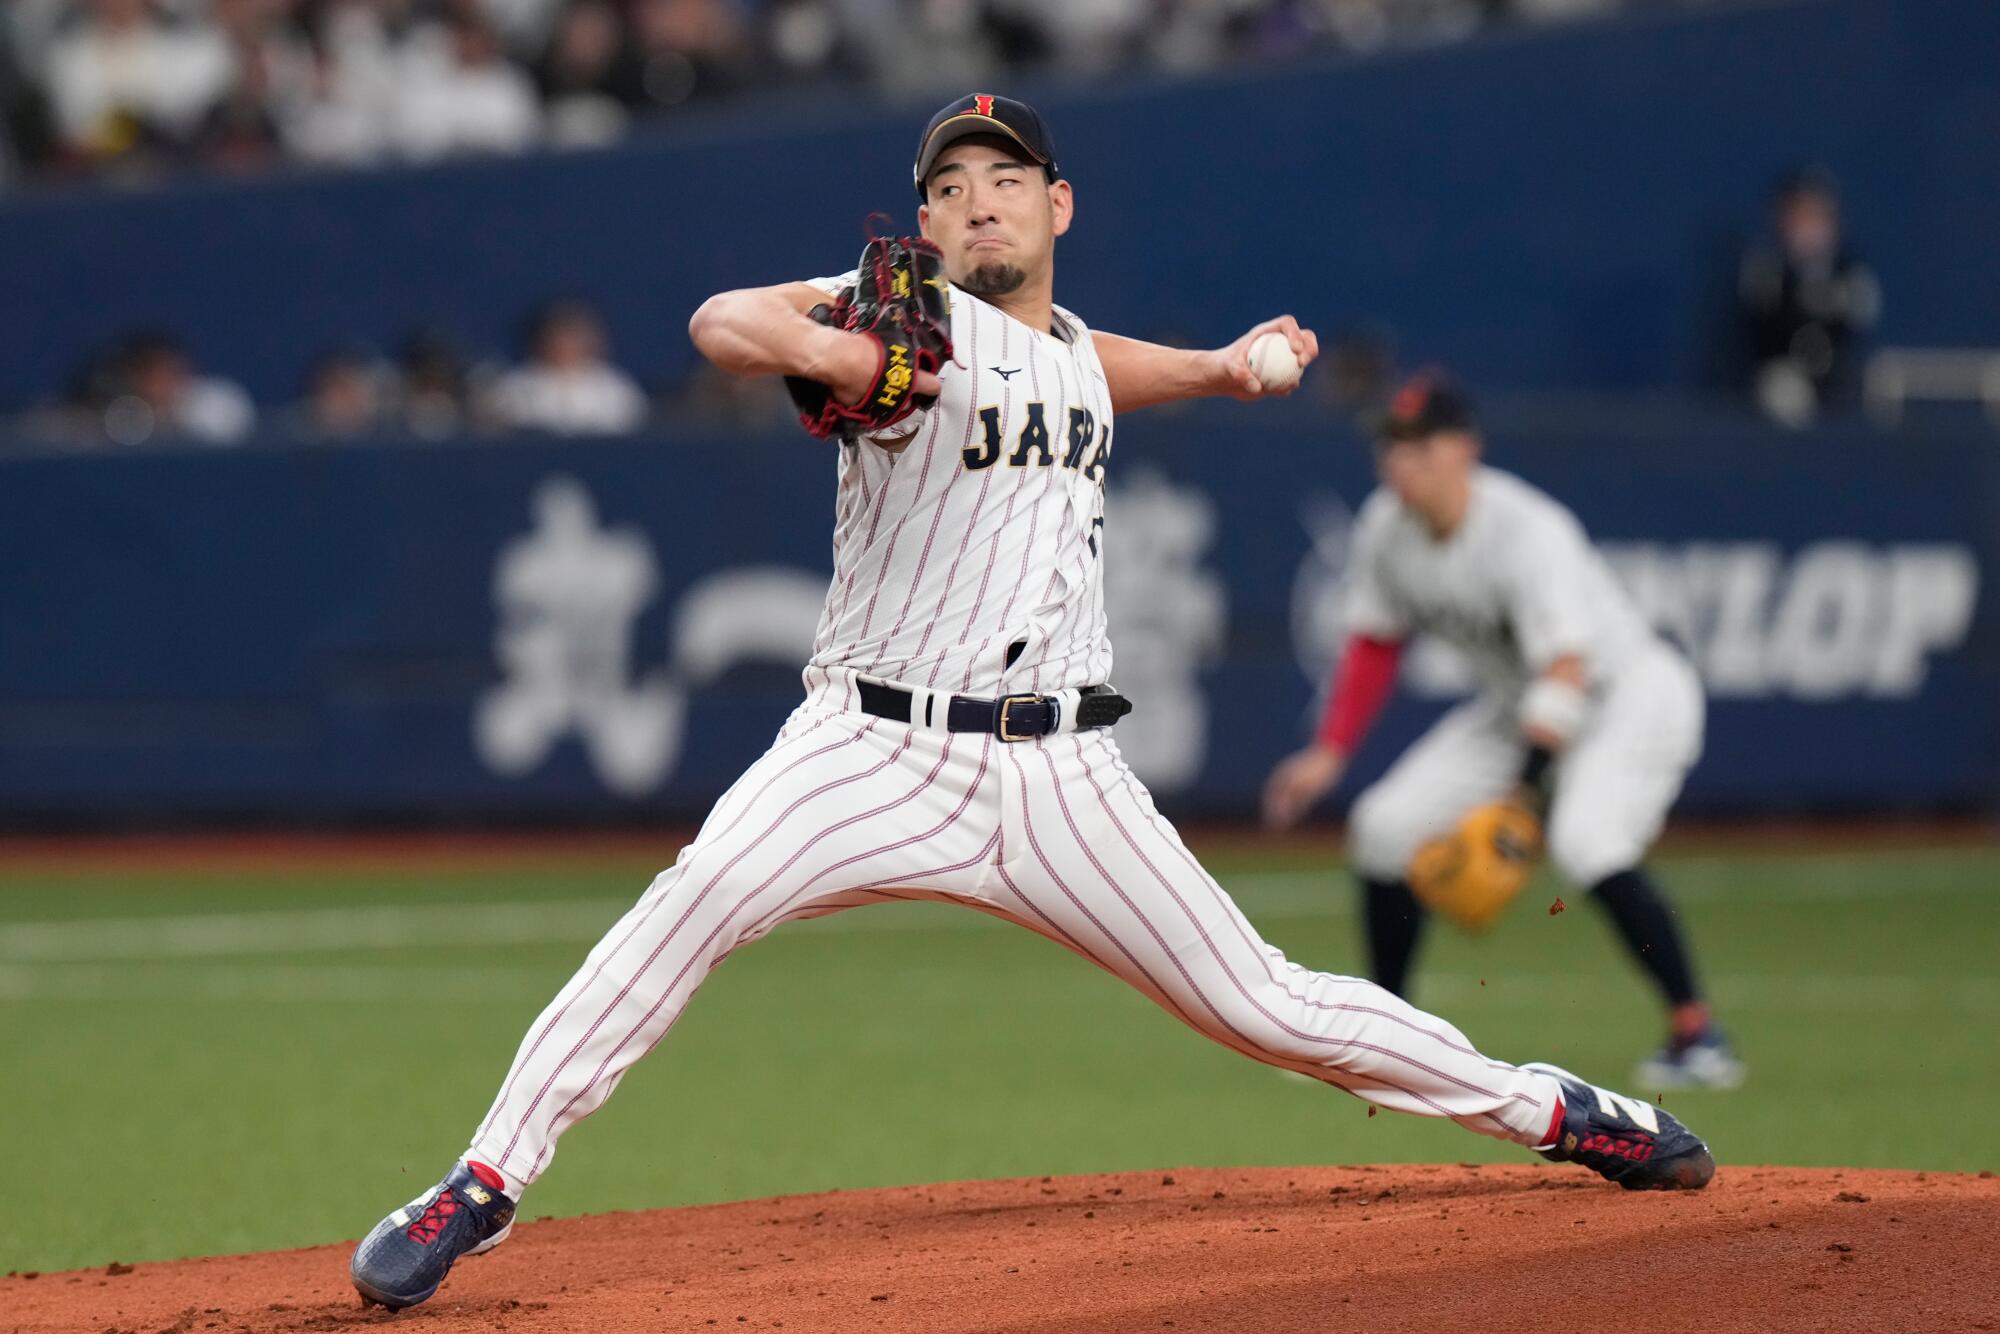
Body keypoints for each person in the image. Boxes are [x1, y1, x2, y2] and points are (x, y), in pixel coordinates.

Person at [349, 94, 1715, 1313]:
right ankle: (479, 1182)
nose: (972, 199)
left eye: (1002, 177)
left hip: (1064, 773)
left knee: (1268, 1005)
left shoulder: (1059, 346)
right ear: (924, 222)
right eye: (946, 185)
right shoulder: (904, 316)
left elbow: (1080, 364)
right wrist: (829, 356)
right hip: (871, 743)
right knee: (691, 901)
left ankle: (1555, 1108)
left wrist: (1224, 367)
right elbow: (726, 325)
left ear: (1057, 204)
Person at [1262, 373, 1743, 1092]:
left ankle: (1698, 1033)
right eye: (1392, 448)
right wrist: (1330, 752)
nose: (1403, 464)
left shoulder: (1526, 531)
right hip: (1522, 705)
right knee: (1383, 827)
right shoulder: (1385, 530)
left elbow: (1569, 668)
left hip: (1626, 695)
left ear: (1465, 450)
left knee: (1589, 843)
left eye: (1422, 446)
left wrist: (1523, 798)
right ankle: (1390, 1037)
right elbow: (1375, 643)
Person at [1739, 167, 1880, 427]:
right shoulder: (1768, 271)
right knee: (1783, 392)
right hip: (1785, 373)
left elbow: (1860, 317)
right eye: (1799, 218)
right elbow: (1761, 321)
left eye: (1816, 217)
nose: (1808, 228)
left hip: (1838, 375)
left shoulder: (1851, 273)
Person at [489, 299, 649, 435]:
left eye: (574, 337)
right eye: (560, 336)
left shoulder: (615, 386)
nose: (567, 345)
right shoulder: (515, 386)